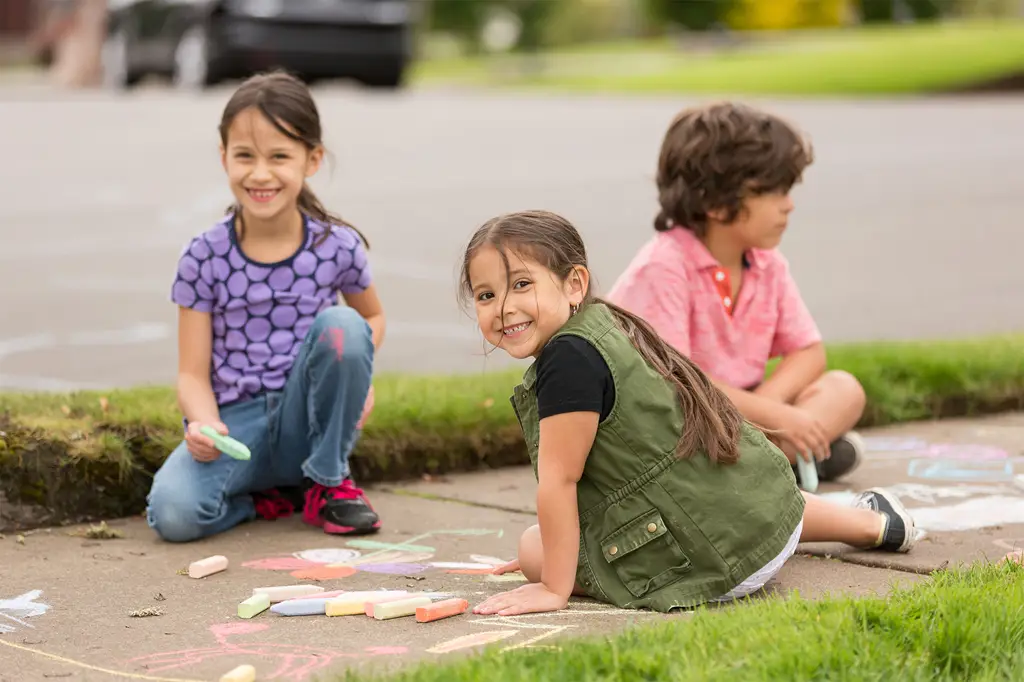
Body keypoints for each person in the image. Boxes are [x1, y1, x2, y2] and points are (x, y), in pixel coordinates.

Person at [462, 210, 916, 617]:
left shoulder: (566, 363)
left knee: (531, 545)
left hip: (705, 564)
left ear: (574, 283)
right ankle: (874, 524)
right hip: (761, 525)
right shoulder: (607, 325)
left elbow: (560, 481)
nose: (504, 308)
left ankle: (558, 567)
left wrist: (551, 583)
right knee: (698, 497)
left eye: (522, 284)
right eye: (486, 295)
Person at [146, 71, 385, 543]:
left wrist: (358, 374)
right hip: (238, 428)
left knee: (343, 324)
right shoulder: (204, 256)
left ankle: (328, 481)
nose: (260, 173)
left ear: (312, 159)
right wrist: (203, 422)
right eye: (244, 156)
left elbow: (370, 319)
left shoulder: (337, 247)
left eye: (279, 156)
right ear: (223, 158)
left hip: (308, 419)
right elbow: (192, 373)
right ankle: (271, 498)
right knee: (172, 514)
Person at [607, 101, 867, 483]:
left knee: (844, 390)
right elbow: (677, 383)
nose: (789, 205)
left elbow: (808, 352)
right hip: (678, 421)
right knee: (696, 443)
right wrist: (778, 418)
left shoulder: (766, 262)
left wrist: (769, 407)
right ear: (716, 203)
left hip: (741, 418)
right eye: (773, 191)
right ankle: (789, 460)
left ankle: (769, 465)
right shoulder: (663, 267)